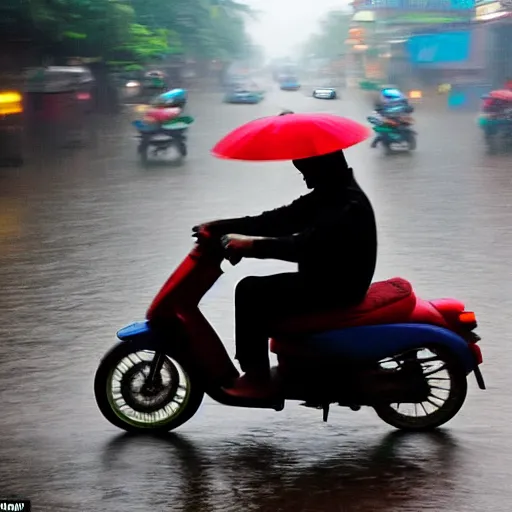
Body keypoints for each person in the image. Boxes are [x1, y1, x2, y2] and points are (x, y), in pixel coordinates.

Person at [193, 148, 378, 399]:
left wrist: (251, 246)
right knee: (257, 289)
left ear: (321, 167)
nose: (304, 178)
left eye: (306, 170)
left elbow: (303, 247)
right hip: (328, 280)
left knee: (250, 291)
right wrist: (220, 227)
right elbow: (276, 221)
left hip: (336, 288)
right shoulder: (332, 194)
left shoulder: (347, 205)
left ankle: (256, 377)